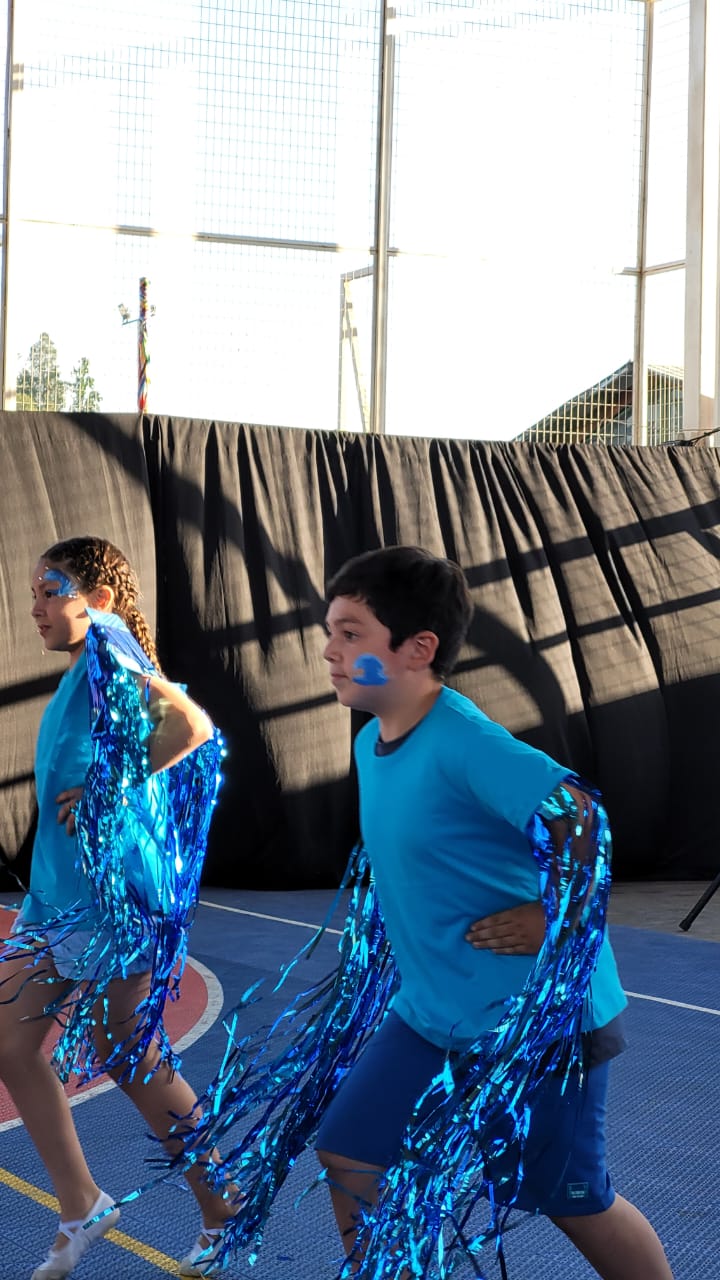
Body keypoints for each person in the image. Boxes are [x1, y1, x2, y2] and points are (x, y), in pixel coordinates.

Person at [314, 545, 673, 1280]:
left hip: (539, 1024)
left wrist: (555, 918)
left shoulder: (464, 742)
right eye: (330, 632)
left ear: (418, 649)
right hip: (435, 1013)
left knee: (573, 1199)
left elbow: (579, 818)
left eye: (351, 634)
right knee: (350, 1151)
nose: (330, 651)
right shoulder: (372, 742)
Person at [0, 537, 236, 1280]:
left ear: (98, 601)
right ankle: (82, 1203)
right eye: (34, 593)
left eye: (52, 590)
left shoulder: (108, 646)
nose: (37, 607)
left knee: (130, 1054)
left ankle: (224, 1207)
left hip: (115, 901)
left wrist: (110, 786)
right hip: (61, 899)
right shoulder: (86, 666)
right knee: (9, 1041)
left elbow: (191, 726)